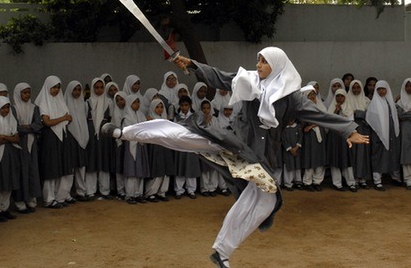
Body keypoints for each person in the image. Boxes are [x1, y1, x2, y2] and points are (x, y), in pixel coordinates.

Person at [102, 47, 369, 268]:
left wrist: (349, 129)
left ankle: (222, 251)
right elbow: (218, 77)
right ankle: (124, 132)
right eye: (259, 59)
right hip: (233, 141)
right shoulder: (249, 80)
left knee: (266, 201)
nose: (259, 64)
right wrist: (192, 65)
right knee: (183, 137)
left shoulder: (292, 99)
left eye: (264, 61)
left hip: (259, 157)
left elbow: (319, 115)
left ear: (277, 65)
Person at [35, 76, 72, 209]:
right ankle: (49, 199)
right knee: (51, 168)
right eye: (53, 87)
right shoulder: (43, 102)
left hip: (62, 135)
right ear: (47, 87)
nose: (56, 90)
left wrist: (64, 119)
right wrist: (63, 118)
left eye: (58, 87)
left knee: (60, 167)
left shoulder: (60, 100)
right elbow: (47, 122)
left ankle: (59, 196)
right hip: (50, 137)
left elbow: (70, 118)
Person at [0, 96, 21, 221]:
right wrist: (9, 138)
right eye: (3, 107)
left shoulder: (12, 120)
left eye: (7, 107)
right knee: (0, 182)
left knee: (9, 182)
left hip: (10, 154)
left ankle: (4, 208)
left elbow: (17, 138)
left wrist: (4, 137)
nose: (6, 110)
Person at [12, 83, 43, 213]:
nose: (27, 95)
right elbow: (15, 128)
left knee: (32, 170)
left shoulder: (34, 108)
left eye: (29, 92)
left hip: (32, 144)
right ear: (18, 94)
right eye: (24, 93)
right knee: (21, 172)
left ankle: (31, 200)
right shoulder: (13, 109)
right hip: (19, 145)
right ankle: (20, 203)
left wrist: (27, 126)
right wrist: (29, 128)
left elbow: (38, 125)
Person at [366, 80, 401, 191]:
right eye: (379, 89)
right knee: (379, 156)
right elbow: (370, 119)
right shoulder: (374, 103)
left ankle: (395, 177)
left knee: (392, 155)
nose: (381, 91)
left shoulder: (389, 102)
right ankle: (377, 181)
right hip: (379, 135)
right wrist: (379, 131)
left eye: (383, 89)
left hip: (391, 134)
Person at [64, 81, 90, 202]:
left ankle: (81, 191)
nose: (77, 92)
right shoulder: (65, 104)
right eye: (75, 90)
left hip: (82, 137)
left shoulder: (83, 104)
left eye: (79, 90)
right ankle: (66, 194)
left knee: (81, 166)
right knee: (70, 167)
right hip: (70, 137)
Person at [300, 86, 327, 192]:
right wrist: (310, 126)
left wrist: (312, 125)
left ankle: (317, 181)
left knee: (320, 159)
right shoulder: (303, 108)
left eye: (313, 95)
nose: (312, 97)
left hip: (320, 134)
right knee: (310, 158)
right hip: (309, 136)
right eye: (309, 95)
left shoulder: (321, 106)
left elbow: (325, 119)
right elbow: (302, 122)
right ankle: (307, 182)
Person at [346, 80, 371, 188]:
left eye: (358, 88)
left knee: (363, 153)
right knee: (353, 154)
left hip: (364, 129)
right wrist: (359, 113)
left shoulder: (366, 100)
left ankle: (363, 179)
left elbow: (370, 115)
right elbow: (347, 113)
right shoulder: (346, 100)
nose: (356, 90)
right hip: (351, 130)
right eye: (354, 88)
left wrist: (358, 113)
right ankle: (353, 179)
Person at [397, 78, 411, 190]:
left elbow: (403, 115)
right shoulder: (400, 102)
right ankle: (408, 180)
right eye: (407, 86)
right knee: (406, 153)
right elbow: (400, 116)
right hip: (405, 130)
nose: (409, 88)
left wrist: (406, 114)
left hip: (406, 125)